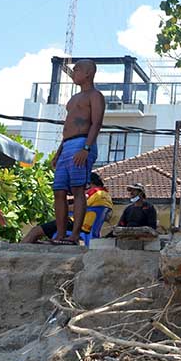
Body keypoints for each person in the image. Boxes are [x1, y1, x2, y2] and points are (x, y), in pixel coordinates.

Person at [51, 59, 105, 244]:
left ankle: (74, 236)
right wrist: (58, 152)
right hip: (67, 145)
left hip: (82, 143)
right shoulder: (73, 99)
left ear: (88, 73)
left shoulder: (95, 95)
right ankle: (60, 235)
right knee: (59, 191)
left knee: (77, 189)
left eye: (77, 70)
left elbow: (96, 123)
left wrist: (86, 147)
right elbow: (68, 127)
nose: (74, 73)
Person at [22, 172, 113, 243]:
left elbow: (80, 206)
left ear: (89, 183)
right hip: (89, 228)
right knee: (41, 235)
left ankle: (18, 252)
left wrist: (61, 206)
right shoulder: (106, 195)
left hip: (75, 224)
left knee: (35, 231)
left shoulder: (94, 192)